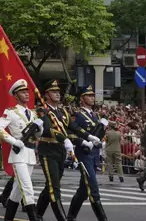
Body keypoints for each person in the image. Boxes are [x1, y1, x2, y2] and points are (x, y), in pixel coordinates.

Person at [0, 79, 42, 221]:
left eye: (27, 91)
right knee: (27, 189)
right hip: (18, 155)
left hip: (30, 154)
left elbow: (37, 135)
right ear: (16, 95)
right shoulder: (11, 112)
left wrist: (39, 129)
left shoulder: (33, 113)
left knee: (16, 193)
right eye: (22, 92)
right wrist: (14, 141)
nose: (27, 94)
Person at [66, 85, 109, 221]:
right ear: (82, 98)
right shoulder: (77, 115)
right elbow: (69, 133)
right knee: (93, 188)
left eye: (92, 95)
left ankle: (71, 216)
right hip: (84, 155)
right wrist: (83, 142)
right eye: (89, 95)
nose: (92, 98)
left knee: (83, 191)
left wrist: (100, 142)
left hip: (94, 155)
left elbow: (98, 134)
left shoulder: (95, 116)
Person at [35, 80, 74, 221]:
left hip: (60, 151)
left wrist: (87, 138)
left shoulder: (62, 112)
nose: (58, 94)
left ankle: (37, 214)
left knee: (51, 184)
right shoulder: (42, 110)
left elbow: (72, 128)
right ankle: (61, 218)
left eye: (58, 91)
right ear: (46, 95)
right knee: (54, 187)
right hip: (48, 150)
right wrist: (64, 139)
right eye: (54, 91)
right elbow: (47, 129)